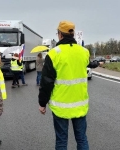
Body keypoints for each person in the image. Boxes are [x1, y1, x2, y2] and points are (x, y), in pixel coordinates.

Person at [38, 21, 90, 150]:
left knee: (61, 140)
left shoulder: (54, 53)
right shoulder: (84, 52)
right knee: (82, 139)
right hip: (80, 104)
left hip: (60, 106)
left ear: (60, 34)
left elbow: (46, 82)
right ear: (72, 34)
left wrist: (42, 103)